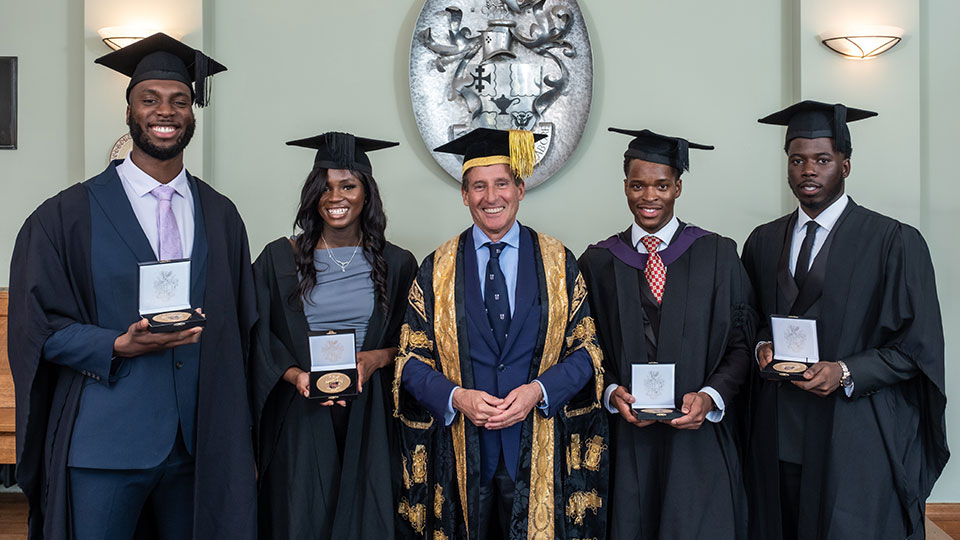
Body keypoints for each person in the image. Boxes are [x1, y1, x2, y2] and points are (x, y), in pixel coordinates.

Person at [7, 33, 257, 539]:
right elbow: (38, 327)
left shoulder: (220, 215)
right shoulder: (66, 216)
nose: (165, 111)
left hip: (197, 448)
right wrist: (115, 343)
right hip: (106, 444)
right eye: (150, 100)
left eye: (179, 101)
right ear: (128, 112)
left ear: (192, 113)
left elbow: (244, 329)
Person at [742, 100, 948, 540]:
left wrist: (846, 371)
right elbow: (751, 321)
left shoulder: (893, 242)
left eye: (822, 160)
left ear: (845, 165)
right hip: (778, 435)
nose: (808, 171)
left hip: (853, 434)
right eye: (798, 160)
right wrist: (762, 346)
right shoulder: (762, 241)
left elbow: (917, 347)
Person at [393, 128, 608, 539]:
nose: (491, 197)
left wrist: (538, 392)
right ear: (464, 194)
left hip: (537, 446)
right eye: (478, 186)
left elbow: (588, 352)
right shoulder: (435, 268)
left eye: (501, 184)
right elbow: (409, 359)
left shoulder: (558, 262)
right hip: (461, 452)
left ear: (521, 188)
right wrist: (456, 397)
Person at [578, 128, 755, 539]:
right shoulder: (599, 261)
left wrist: (710, 397)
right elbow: (582, 346)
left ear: (678, 187)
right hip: (626, 440)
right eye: (637, 185)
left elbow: (742, 343)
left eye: (661, 185)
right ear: (625, 186)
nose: (649, 197)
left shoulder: (717, 254)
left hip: (697, 438)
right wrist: (609, 392)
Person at [250, 132, 418, 540]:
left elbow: (418, 341)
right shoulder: (279, 258)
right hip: (302, 413)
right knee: (301, 518)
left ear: (366, 194)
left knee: (369, 517)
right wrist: (294, 376)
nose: (335, 196)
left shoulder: (397, 264)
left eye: (348, 185)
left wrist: (375, 359)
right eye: (324, 187)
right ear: (312, 195)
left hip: (372, 413)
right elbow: (257, 333)